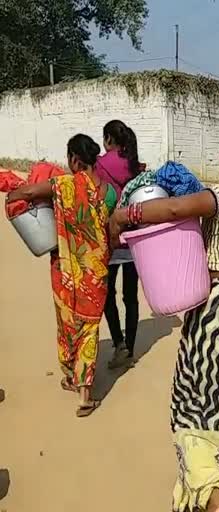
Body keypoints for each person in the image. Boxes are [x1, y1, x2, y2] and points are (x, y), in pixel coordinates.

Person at [109, 127, 219, 512]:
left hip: (215, 331)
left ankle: (215, 499)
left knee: (196, 412)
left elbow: (171, 210)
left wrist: (125, 215)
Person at [7, 134, 118, 417]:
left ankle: (71, 375)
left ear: (74, 159)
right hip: (96, 272)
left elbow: (31, 193)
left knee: (68, 323)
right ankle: (85, 395)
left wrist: (15, 195)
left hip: (65, 269)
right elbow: (112, 230)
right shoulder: (109, 192)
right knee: (90, 328)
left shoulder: (63, 184)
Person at [97, 120, 142, 369]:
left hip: (111, 238)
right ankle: (131, 349)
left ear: (108, 139)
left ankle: (119, 344)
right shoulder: (135, 164)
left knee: (107, 296)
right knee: (131, 297)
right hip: (134, 240)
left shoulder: (101, 165)